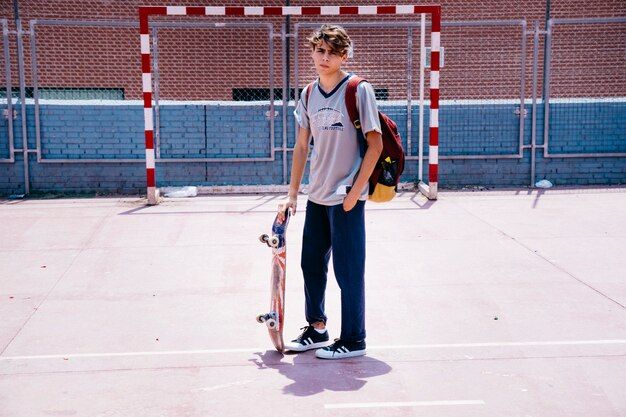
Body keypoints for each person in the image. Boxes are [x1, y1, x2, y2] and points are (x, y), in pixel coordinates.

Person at [277, 24, 382, 359]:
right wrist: (293, 193)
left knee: (348, 271)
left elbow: (375, 144)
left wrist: (355, 192)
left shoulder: (357, 89)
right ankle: (317, 328)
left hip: (346, 197)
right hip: (317, 195)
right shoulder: (308, 93)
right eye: (319, 51)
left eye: (332, 52)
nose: (324, 57)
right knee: (311, 265)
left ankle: (354, 338)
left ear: (343, 56)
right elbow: (301, 146)